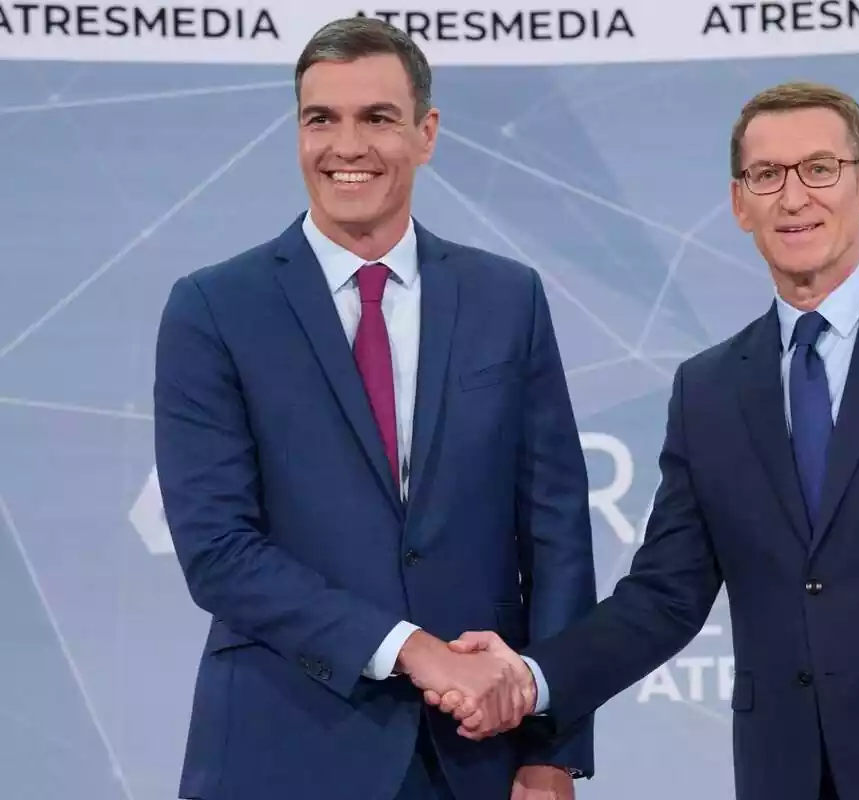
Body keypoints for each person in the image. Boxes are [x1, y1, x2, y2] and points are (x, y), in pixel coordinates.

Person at [426, 82, 859, 800]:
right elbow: (664, 597)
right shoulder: (708, 390)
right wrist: (533, 675)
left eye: (819, 169)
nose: (794, 197)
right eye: (767, 176)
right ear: (740, 204)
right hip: (784, 775)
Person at [153, 16, 596, 800]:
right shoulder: (214, 308)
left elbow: (557, 533)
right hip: (280, 747)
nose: (346, 146)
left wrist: (552, 749)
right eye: (321, 118)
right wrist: (409, 647)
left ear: (426, 134)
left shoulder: (507, 298)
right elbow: (218, 549)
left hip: (477, 759)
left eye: (377, 119)